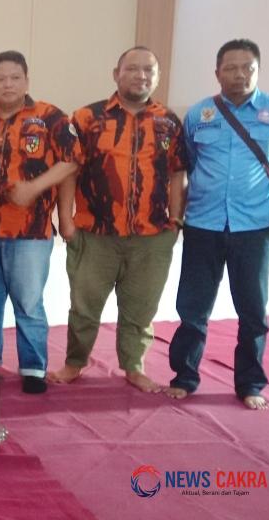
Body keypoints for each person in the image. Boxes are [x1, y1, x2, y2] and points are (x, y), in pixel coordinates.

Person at [166, 39, 269, 410]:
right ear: (217, 72)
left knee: (253, 310)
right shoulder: (200, 114)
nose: (240, 74)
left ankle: (250, 383)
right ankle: (184, 376)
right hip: (203, 224)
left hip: (253, 226)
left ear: (258, 70)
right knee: (193, 308)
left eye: (247, 68)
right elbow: (190, 162)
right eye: (231, 68)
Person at [48, 47, 187, 393]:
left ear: (157, 77)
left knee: (141, 308)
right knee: (84, 307)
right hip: (95, 234)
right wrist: (66, 220)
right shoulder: (86, 118)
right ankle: (74, 362)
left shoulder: (169, 121)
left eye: (149, 70)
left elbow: (177, 173)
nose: (141, 76)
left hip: (152, 236)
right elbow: (69, 170)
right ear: (116, 74)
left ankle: (134, 366)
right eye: (133, 69)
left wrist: (176, 221)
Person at [0, 50, 78, 394]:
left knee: (28, 302)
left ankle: (33, 367)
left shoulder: (51, 118)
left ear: (27, 81)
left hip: (30, 230)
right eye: (0, 79)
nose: (7, 84)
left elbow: (72, 161)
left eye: (15, 77)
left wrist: (34, 188)